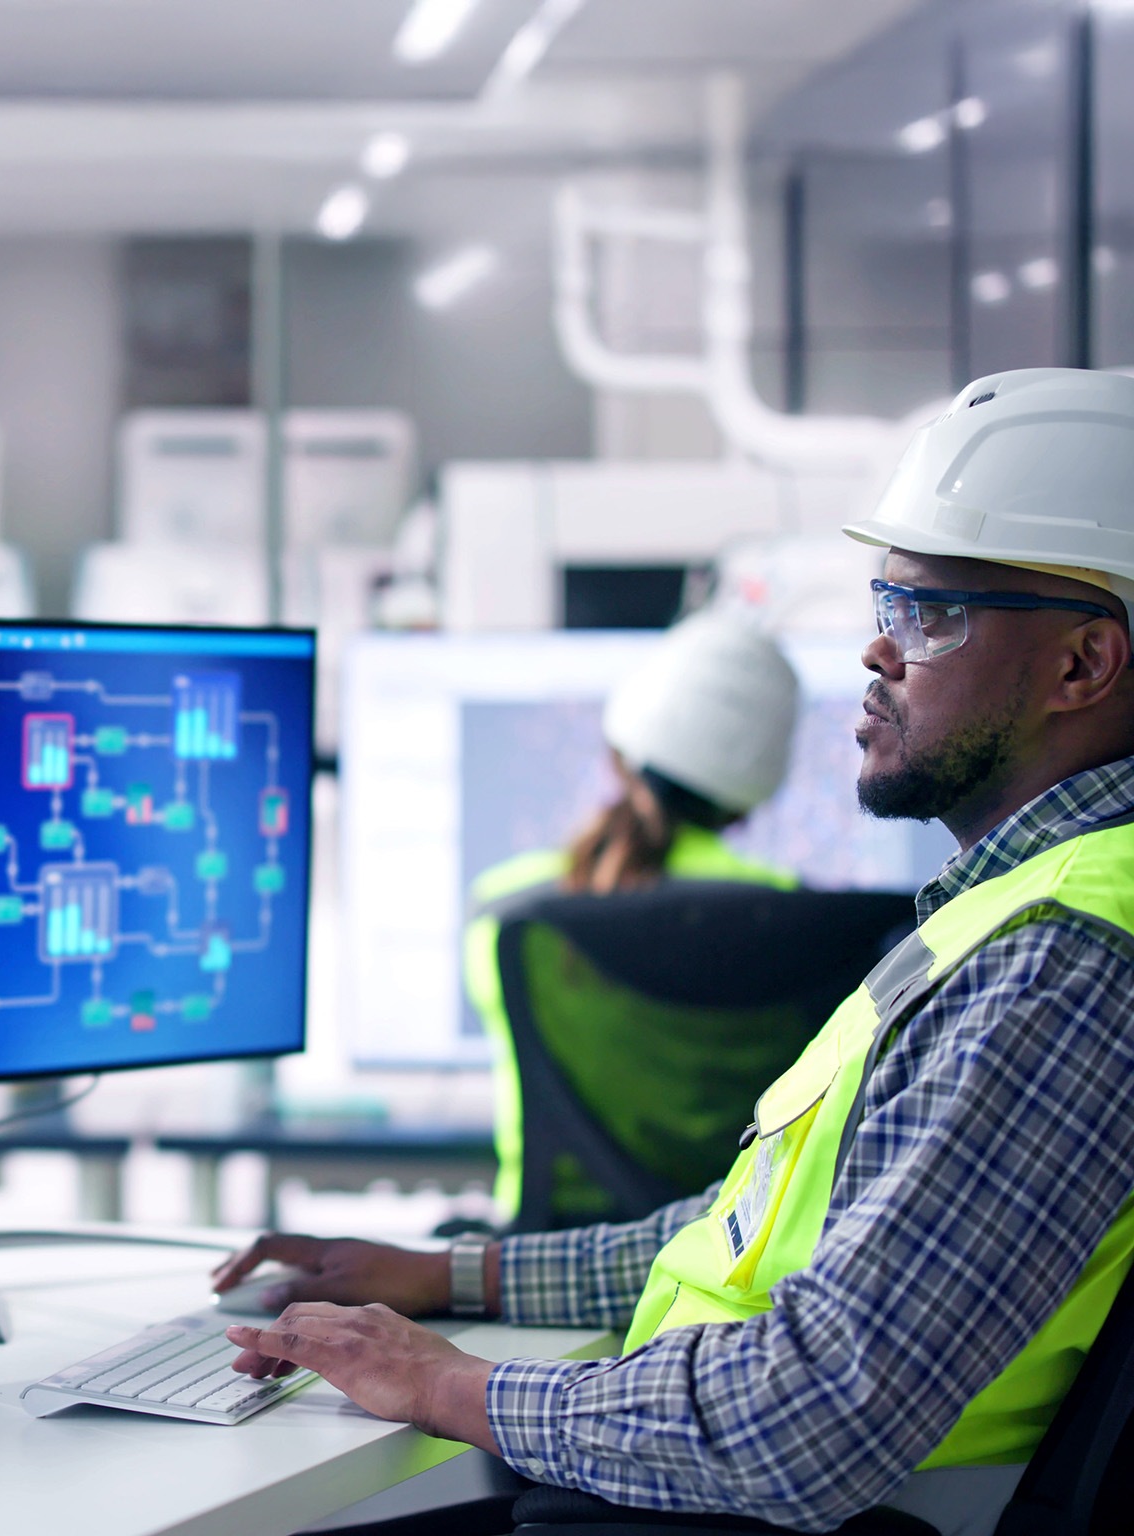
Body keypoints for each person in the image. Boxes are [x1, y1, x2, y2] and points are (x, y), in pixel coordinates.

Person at [212, 367, 1134, 1536]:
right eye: (883, 602)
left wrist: (451, 1383)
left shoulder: (1063, 960)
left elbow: (813, 1418)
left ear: (1082, 666)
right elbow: (751, 1230)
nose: (874, 651)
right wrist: (454, 1277)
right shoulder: (1002, 915)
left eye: (928, 612)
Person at [463, 615, 800, 1223]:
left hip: (539, 1268)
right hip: (720, 1273)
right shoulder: (795, 920)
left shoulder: (509, 908)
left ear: (617, 759)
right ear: (753, 797)